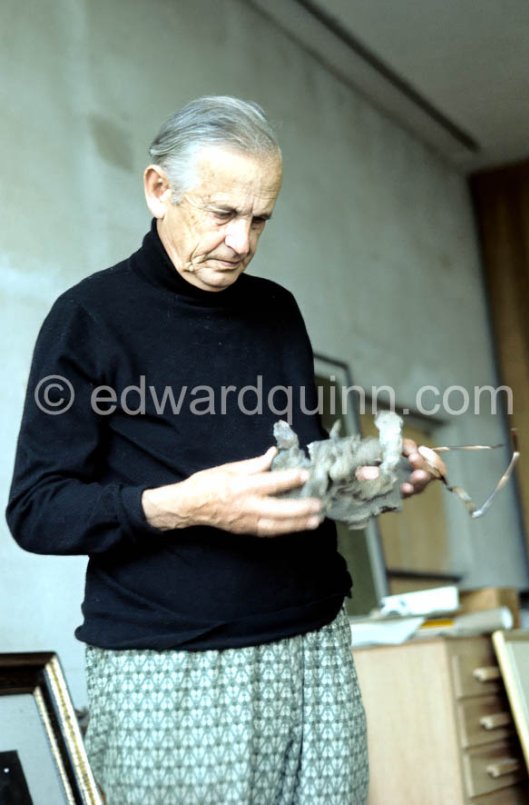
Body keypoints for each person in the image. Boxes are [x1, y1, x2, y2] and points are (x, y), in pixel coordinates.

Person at [6, 96, 441, 804]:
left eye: (260, 218)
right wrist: (189, 505)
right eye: (221, 214)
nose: (242, 242)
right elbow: (35, 508)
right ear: (158, 190)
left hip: (317, 649)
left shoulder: (277, 311)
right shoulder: (88, 318)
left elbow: (302, 461)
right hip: (172, 669)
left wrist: (367, 475)